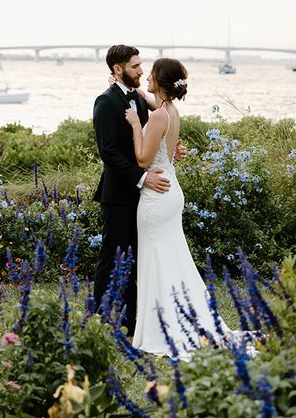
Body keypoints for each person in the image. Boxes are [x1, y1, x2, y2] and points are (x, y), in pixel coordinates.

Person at [126, 57, 230, 356]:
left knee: (157, 258)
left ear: (160, 79)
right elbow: (147, 98)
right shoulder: (171, 110)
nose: (146, 76)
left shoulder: (158, 116)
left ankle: (161, 327)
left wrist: (135, 125)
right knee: (171, 257)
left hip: (157, 194)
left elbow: (143, 160)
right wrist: (131, 93)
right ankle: (179, 317)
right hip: (171, 190)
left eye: (151, 74)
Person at [92, 45, 185, 334]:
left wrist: (172, 148)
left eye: (142, 65)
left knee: (139, 259)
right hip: (120, 195)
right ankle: (99, 316)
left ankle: (133, 320)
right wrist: (142, 178)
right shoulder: (105, 102)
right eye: (135, 66)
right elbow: (109, 152)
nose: (141, 70)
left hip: (148, 197)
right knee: (112, 256)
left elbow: (154, 136)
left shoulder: (143, 101)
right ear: (118, 69)